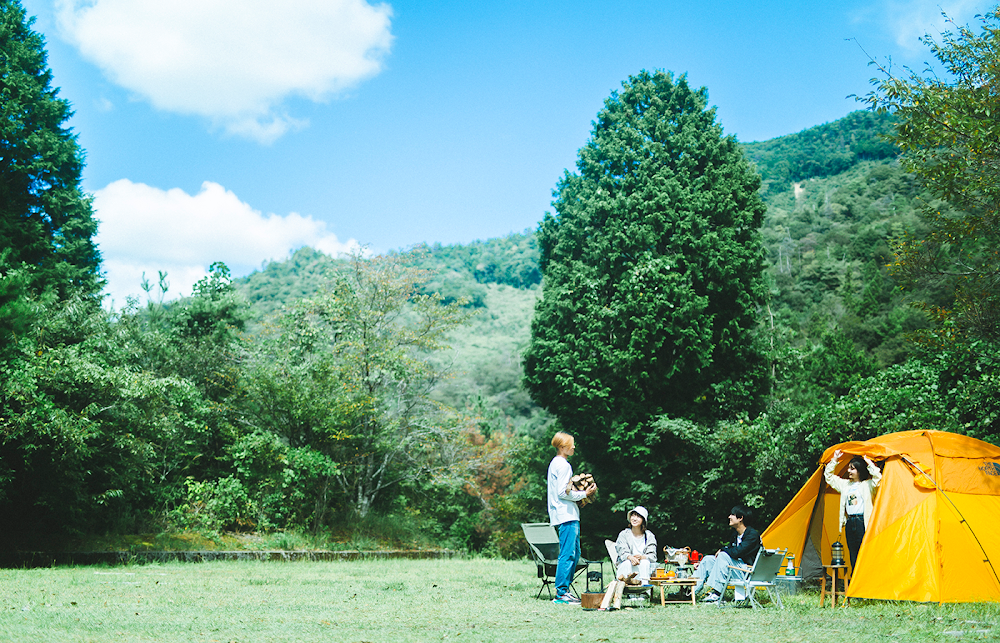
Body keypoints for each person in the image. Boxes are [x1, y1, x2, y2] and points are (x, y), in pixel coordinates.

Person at [547, 431, 597, 605]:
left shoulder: (556, 463)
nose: (574, 447)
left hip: (567, 513)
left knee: (575, 554)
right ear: (562, 447)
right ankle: (561, 593)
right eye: (571, 444)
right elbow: (563, 493)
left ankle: (565, 590)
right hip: (566, 515)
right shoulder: (563, 465)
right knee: (568, 554)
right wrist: (585, 493)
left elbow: (564, 491)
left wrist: (578, 498)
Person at [824, 449, 882, 571]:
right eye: (849, 468)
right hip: (850, 522)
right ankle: (854, 581)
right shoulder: (845, 485)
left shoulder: (868, 485)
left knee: (864, 552)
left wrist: (868, 462)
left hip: (862, 522)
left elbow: (878, 478)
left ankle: (865, 581)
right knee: (852, 552)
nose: (849, 471)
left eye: (852, 468)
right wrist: (834, 460)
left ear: (859, 471)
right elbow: (828, 477)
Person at [693, 505, 762, 603]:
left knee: (723, 555)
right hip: (736, 569)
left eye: (732, 515)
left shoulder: (752, 535)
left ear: (740, 518)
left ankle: (717, 594)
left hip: (748, 571)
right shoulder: (735, 535)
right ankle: (691, 592)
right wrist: (722, 550)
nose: (729, 517)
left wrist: (722, 550)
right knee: (708, 559)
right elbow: (730, 551)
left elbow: (736, 553)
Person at [613, 506, 657, 582]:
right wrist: (631, 557)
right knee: (627, 563)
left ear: (643, 520)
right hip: (626, 563)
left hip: (643, 565)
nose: (634, 519)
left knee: (645, 562)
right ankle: (626, 589)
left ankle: (644, 590)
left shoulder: (649, 536)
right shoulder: (624, 534)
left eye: (638, 516)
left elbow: (652, 556)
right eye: (633, 515)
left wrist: (641, 557)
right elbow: (623, 552)